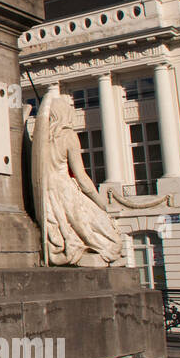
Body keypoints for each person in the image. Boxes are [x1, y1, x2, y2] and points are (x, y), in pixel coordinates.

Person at [40, 92, 124, 265]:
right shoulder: (68, 136)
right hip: (64, 189)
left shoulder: (41, 139)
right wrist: (101, 203)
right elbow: (81, 177)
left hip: (47, 191)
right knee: (110, 240)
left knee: (68, 229)